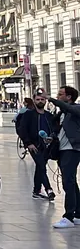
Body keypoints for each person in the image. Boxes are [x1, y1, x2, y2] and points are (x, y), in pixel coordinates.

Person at [48, 86, 80, 228]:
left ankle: (68, 216)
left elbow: (69, 108)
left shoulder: (76, 109)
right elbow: (59, 130)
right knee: (71, 182)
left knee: (68, 182)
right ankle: (78, 214)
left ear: (69, 97)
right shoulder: (62, 114)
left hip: (72, 150)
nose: (58, 96)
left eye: (61, 94)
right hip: (62, 149)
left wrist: (50, 99)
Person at [17, 91, 57, 200]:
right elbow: (22, 129)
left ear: (45, 101)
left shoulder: (49, 116)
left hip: (47, 147)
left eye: (42, 99)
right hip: (34, 145)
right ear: (34, 101)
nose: (40, 101)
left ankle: (36, 190)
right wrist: (28, 143)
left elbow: (54, 129)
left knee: (40, 167)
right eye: (38, 99)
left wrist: (52, 137)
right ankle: (49, 189)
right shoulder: (28, 114)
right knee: (41, 165)